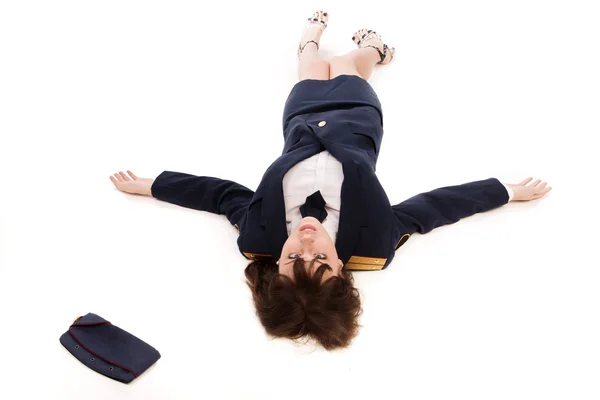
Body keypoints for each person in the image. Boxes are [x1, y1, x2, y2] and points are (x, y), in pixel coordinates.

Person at [109, 11, 552, 350]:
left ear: (274, 271)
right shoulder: (374, 243)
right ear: (341, 272)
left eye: (290, 261)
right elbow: (433, 208)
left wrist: (152, 185)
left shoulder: (256, 235)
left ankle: (309, 36)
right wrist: (507, 192)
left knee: (309, 64)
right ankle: (375, 50)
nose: (304, 244)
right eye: (320, 261)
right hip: (358, 120)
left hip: (300, 121)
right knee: (345, 64)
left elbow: (221, 194)